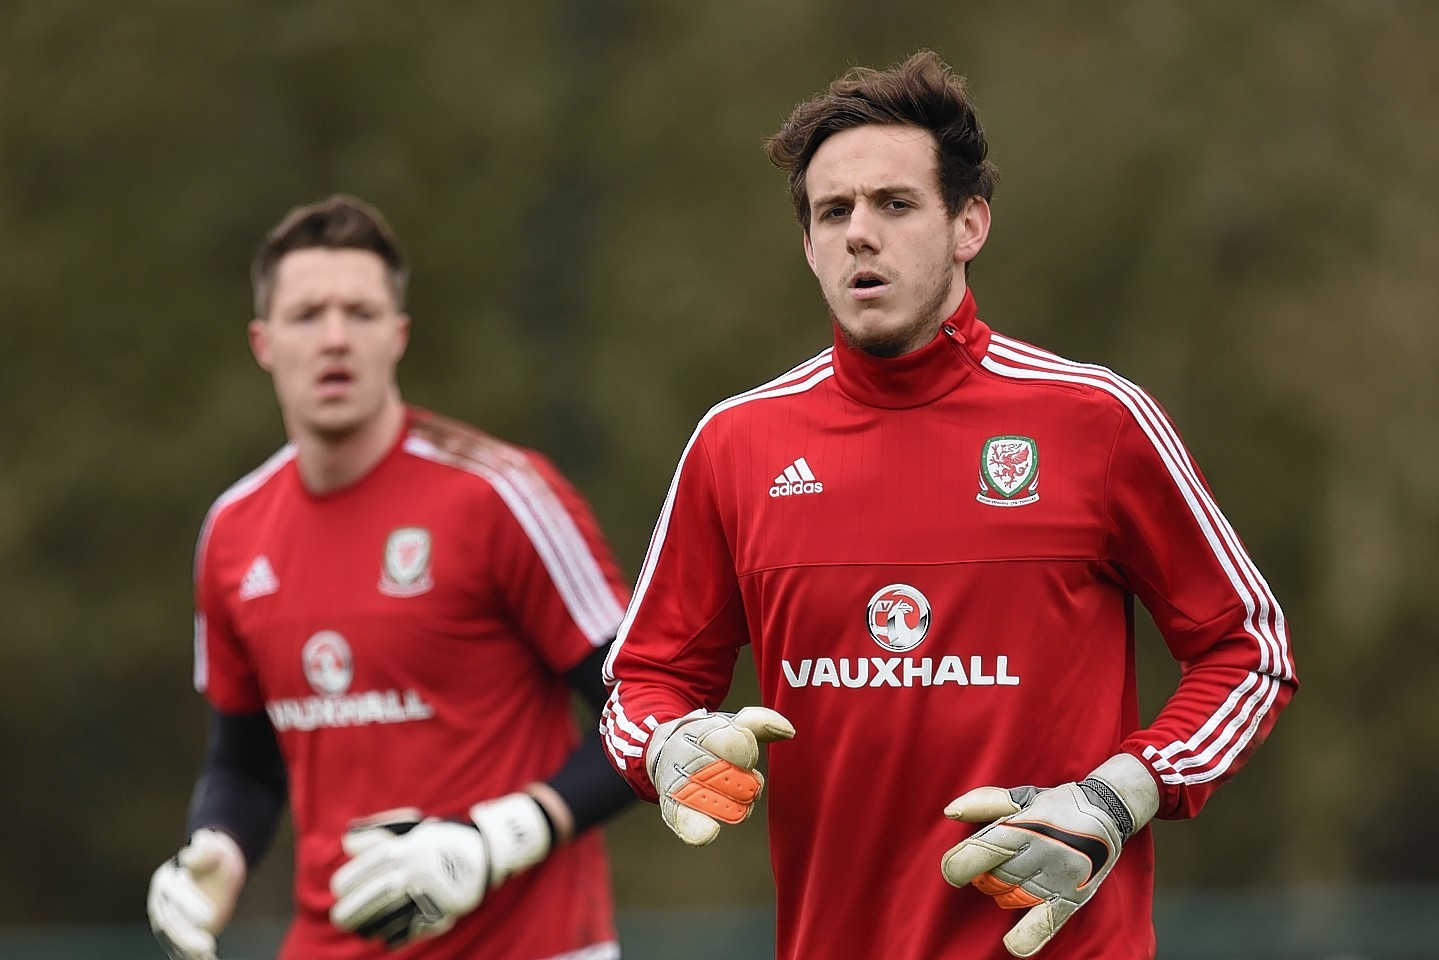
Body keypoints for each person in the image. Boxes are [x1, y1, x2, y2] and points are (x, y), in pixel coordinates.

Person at [600, 50, 1297, 960]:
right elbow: (642, 681)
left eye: (895, 204)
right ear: (807, 245)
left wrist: (1118, 795)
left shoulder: (1093, 420)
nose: (860, 234)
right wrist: (668, 749)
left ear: (969, 224)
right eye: (833, 211)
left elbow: (1247, 650)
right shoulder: (738, 444)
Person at [146, 194, 635, 960]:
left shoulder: (499, 493)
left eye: (362, 313)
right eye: (307, 315)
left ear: (398, 335)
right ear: (262, 341)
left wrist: (491, 842)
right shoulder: (232, 532)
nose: (335, 337)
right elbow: (243, 760)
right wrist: (217, 851)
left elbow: (642, 709)